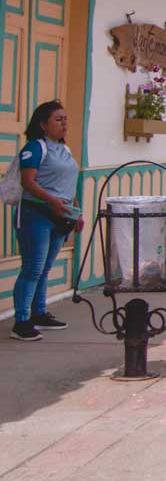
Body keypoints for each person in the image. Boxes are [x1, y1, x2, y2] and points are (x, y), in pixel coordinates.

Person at [10, 100, 83, 342]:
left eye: (65, 119)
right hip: (36, 214)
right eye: (58, 119)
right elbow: (28, 182)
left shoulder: (66, 150)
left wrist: (76, 212)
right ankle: (21, 321)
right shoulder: (35, 148)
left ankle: (39, 312)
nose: (64, 124)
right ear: (43, 124)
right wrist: (51, 201)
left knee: (44, 269)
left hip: (60, 216)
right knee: (32, 268)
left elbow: (68, 185)